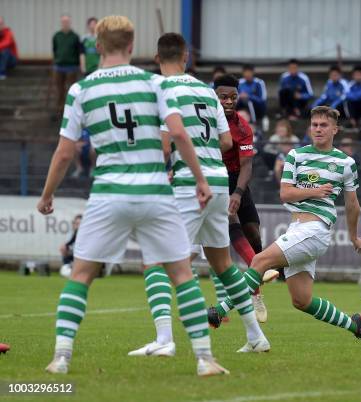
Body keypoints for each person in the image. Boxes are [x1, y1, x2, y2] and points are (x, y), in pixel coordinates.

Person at [38, 16, 228, 377]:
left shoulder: (82, 89)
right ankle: (205, 359)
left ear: (96, 46)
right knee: (182, 274)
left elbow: (64, 153)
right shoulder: (155, 84)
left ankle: (61, 357)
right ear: (131, 45)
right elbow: (180, 136)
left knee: (81, 274)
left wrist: (48, 194)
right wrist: (200, 179)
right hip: (155, 192)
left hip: (110, 193)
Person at [128, 34, 270, 359]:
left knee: (158, 261)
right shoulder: (207, 91)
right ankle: (255, 335)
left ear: (155, 57)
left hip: (190, 185)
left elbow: (165, 142)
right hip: (218, 181)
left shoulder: (162, 89)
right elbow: (225, 143)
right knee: (223, 264)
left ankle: (164, 338)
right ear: (187, 56)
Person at [208, 106, 361, 343]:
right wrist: (316, 190)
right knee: (302, 300)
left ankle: (221, 310)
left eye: (324, 125)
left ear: (335, 130)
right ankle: (354, 324)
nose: (318, 129)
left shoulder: (346, 163)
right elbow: (285, 194)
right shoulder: (296, 156)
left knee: (260, 261)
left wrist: (353, 236)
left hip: (316, 230)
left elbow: (353, 205)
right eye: (315, 125)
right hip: (296, 228)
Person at [213, 74, 277, 324]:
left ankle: (255, 281)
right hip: (213, 179)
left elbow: (247, 165)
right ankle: (257, 288)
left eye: (232, 97)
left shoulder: (242, 127)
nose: (228, 101)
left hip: (237, 179)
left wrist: (238, 193)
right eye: (223, 97)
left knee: (253, 234)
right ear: (214, 97)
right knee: (229, 229)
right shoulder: (206, 122)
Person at [52, 14, 81, 119]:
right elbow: (55, 49)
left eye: (67, 21)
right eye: (63, 21)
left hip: (72, 67)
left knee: (71, 90)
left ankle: (72, 112)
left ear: (70, 23)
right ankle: (60, 110)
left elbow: (78, 51)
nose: (65, 23)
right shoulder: (57, 36)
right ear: (61, 23)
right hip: (59, 67)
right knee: (59, 90)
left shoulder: (75, 36)